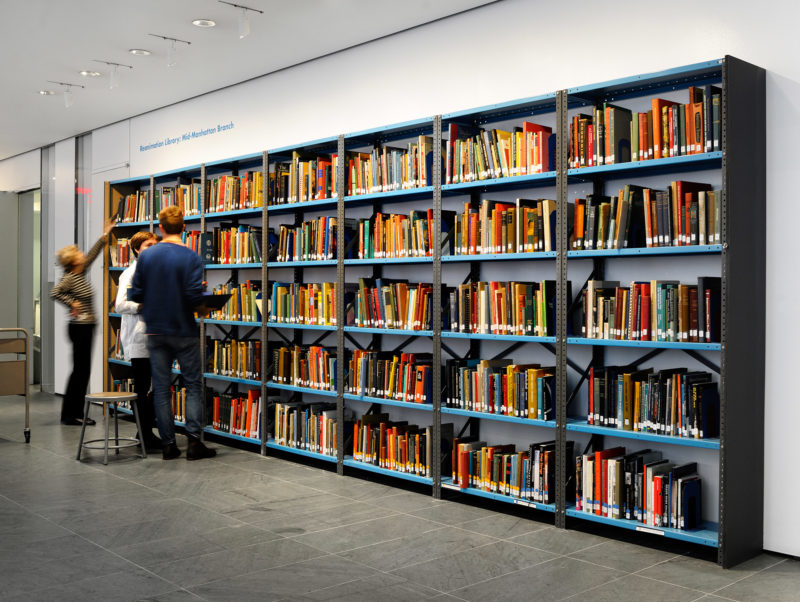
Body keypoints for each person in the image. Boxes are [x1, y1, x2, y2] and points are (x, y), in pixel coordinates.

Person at [130, 206, 216, 460]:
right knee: (192, 385)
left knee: (161, 388)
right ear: (184, 228)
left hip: (155, 331)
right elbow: (192, 296)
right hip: (183, 330)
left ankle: (168, 445)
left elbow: (135, 294)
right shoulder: (191, 257)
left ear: (161, 228)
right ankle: (192, 443)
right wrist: (200, 299)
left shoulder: (146, 257)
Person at [51, 218, 116, 425]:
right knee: (81, 371)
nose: (82, 254)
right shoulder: (71, 277)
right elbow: (55, 292)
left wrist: (105, 234)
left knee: (81, 370)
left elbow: (93, 254)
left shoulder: (81, 271)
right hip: (80, 328)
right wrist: (72, 303)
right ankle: (72, 415)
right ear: (73, 260)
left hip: (85, 327)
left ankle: (72, 413)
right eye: (78, 253)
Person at [115, 231, 162, 451]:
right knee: (143, 389)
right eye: (147, 245)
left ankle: (143, 432)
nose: (152, 249)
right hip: (139, 339)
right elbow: (120, 305)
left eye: (155, 245)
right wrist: (142, 305)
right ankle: (145, 437)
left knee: (156, 389)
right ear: (136, 249)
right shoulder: (130, 273)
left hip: (157, 336)